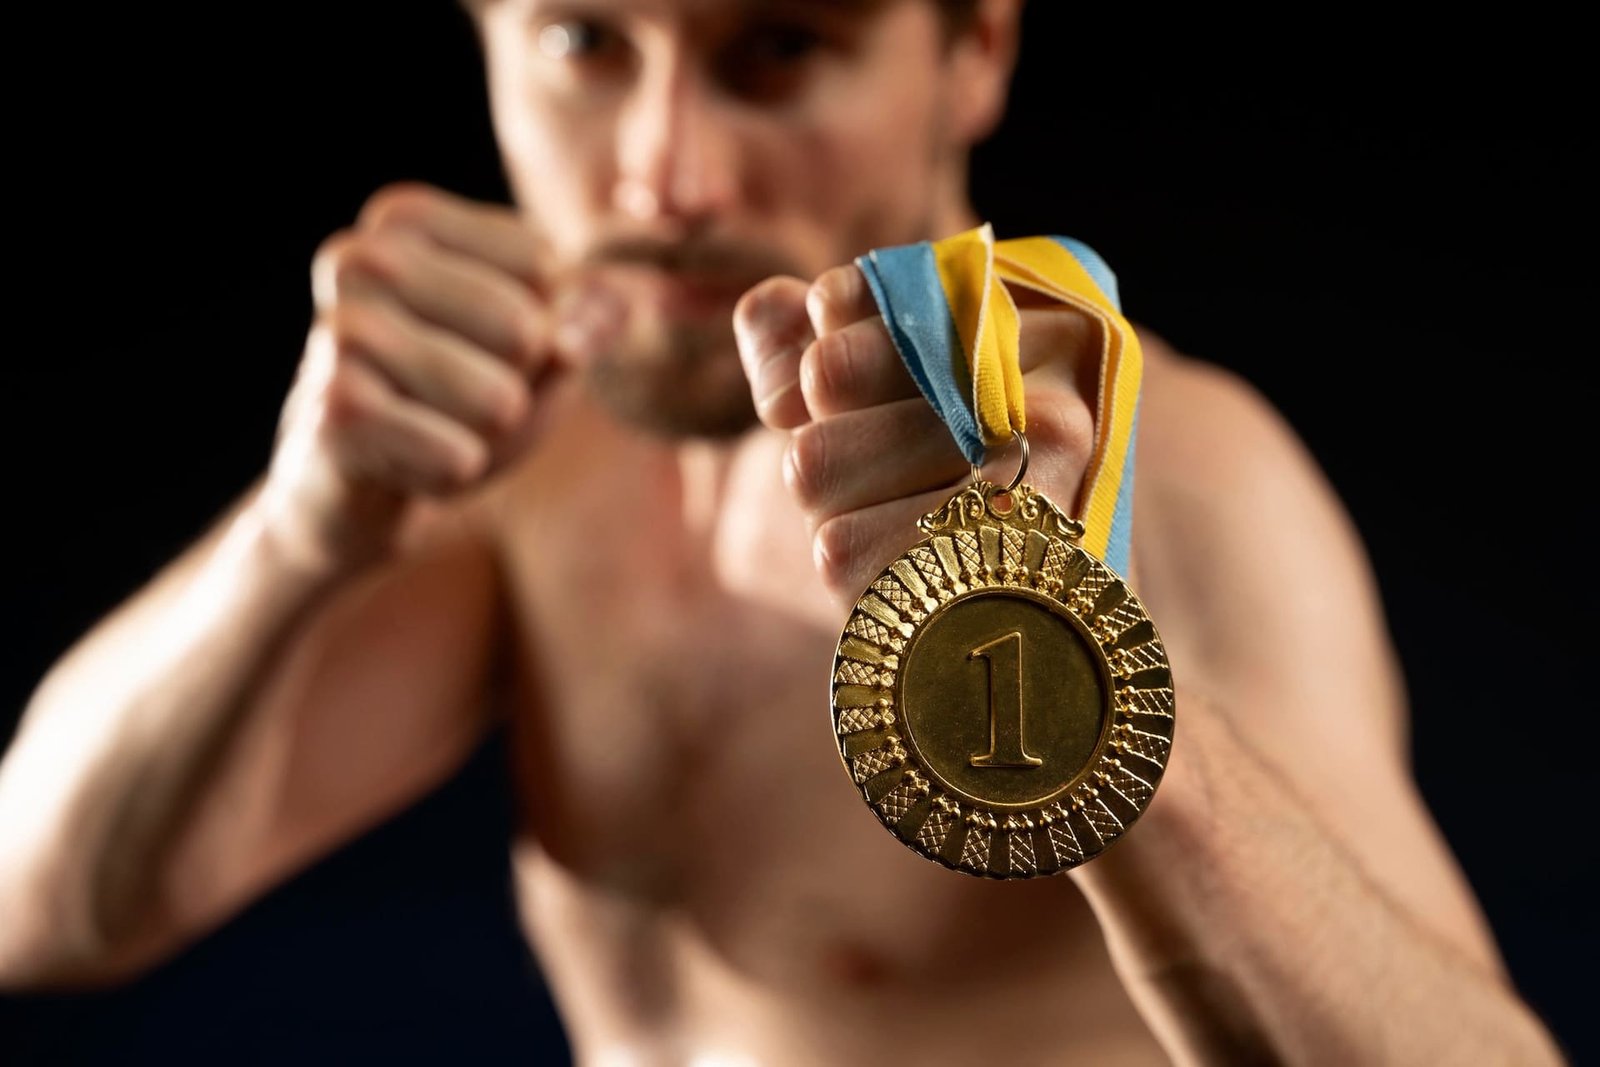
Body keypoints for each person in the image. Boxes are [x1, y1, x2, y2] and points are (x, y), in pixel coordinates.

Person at [0, 0, 1566, 1062]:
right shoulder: (531, 475)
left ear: (969, 52)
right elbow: (46, 912)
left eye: (776, 50)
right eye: (583, 41)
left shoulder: (1186, 481)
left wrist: (1087, 709)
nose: (661, 174)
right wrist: (300, 534)